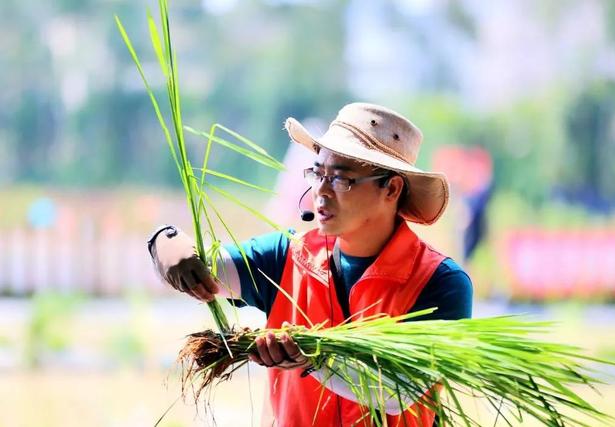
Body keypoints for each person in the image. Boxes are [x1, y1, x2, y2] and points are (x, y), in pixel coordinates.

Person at [148, 103, 473, 426]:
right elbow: (209, 271)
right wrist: (166, 244)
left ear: (391, 188)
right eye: (318, 173)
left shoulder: (439, 282)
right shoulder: (286, 256)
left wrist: (313, 357)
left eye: (341, 180)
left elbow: (397, 391)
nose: (320, 191)